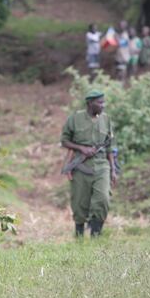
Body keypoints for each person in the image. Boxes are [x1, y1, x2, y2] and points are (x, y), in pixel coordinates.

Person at [61, 90, 117, 237]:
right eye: (99, 102)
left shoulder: (106, 119)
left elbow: (110, 146)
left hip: (102, 165)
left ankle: (96, 236)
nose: (102, 105)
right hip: (80, 166)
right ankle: (79, 236)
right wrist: (81, 148)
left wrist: (113, 170)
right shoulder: (74, 118)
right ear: (89, 103)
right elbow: (65, 141)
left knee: (103, 199)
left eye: (103, 102)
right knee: (79, 203)